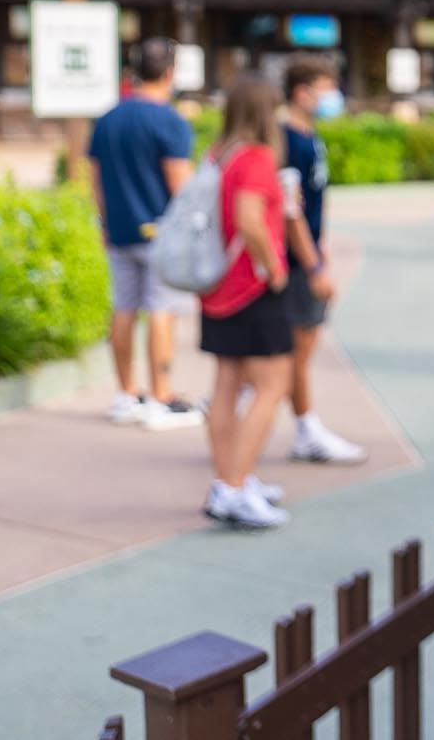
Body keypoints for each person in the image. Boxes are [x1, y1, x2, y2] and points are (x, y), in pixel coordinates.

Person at [85, 38, 204, 430]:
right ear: (169, 72)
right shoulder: (169, 121)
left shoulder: (108, 118)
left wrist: (104, 222)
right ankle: (161, 396)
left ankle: (125, 394)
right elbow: (181, 189)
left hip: (118, 230)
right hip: (160, 234)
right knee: (161, 310)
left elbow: (96, 180)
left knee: (124, 309)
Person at [200, 73, 293, 530]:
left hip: (217, 284)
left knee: (226, 383)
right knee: (273, 384)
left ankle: (228, 481)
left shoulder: (217, 155)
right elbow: (249, 220)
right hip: (251, 286)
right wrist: (275, 268)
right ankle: (236, 487)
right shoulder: (256, 157)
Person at [278, 59, 366, 466]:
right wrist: (312, 265)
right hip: (296, 260)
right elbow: (289, 210)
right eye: (325, 88)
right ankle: (304, 427)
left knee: (302, 343)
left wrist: (321, 244)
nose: (332, 97)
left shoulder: (309, 136)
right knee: (298, 344)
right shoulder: (288, 140)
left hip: (309, 251)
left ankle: (299, 422)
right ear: (302, 91)